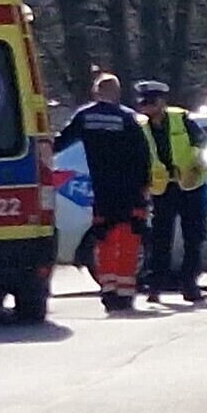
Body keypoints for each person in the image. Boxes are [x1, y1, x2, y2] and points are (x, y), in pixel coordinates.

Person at [54, 73, 152, 313]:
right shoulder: (128, 118)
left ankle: (108, 291)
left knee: (105, 241)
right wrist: (145, 187)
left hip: (101, 191)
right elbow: (143, 156)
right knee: (128, 242)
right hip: (129, 192)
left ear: (96, 92)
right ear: (117, 92)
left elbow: (60, 142)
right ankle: (125, 294)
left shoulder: (84, 116)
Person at [137, 79, 207, 303]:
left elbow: (201, 140)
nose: (146, 108)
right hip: (163, 189)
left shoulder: (181, 118)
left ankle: (190, 285)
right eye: (143, 103)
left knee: (193, 237)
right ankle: (155, 286)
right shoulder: (141, 127)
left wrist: (194, 163)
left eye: (150, 103)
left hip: (189, 185)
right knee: (160, 240)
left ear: (161, 102)